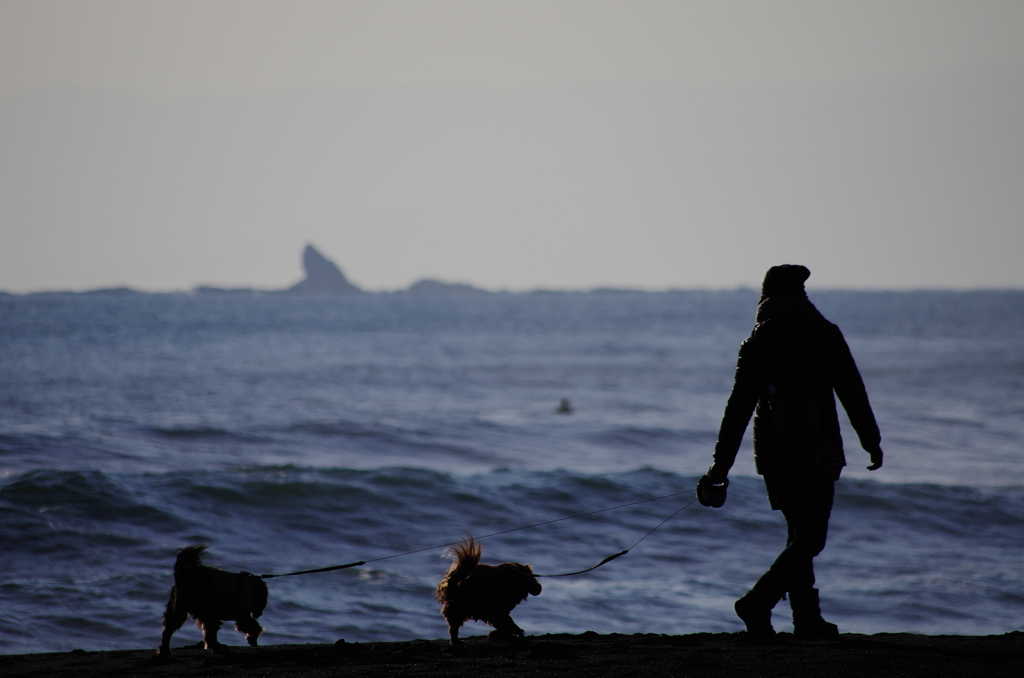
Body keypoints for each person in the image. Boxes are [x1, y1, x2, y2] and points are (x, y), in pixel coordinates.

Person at [702, 264, 883, 638]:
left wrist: (721, 466)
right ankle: (758, 601)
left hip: (773, 453)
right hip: (819, 450)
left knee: (799, 533)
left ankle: (806, 619)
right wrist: (870, 439)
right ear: (802, 292)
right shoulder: (824, 334)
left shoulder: (756, 342)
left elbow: (738, 408)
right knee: (810, 538)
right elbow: (852, 390)